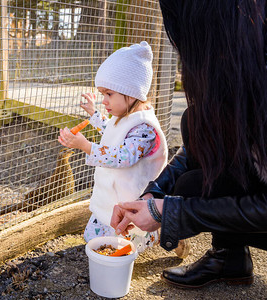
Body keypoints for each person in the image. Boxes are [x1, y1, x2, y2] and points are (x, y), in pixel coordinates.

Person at [110, 0, 267, 289]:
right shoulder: (237, 72)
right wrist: (154, 193)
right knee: (194, 135)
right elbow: (194, 153)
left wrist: (172, 213)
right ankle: (229, 259)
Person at [58, 41, 169, 254]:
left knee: (127, 244)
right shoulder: (126, 117)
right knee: (93, 237)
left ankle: (164, 237)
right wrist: (93, 114)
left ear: (130, 91)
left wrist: (86, 146)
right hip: (112, 197)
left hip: (132, 199)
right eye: (102, 94)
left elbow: (123, 156)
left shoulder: (144, 127)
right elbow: (112, 131)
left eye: (109, 94)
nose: (104, 100)